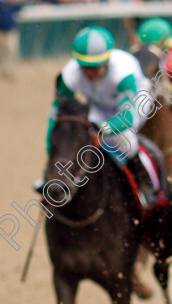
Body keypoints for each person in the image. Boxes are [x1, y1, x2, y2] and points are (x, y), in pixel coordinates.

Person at [35, 25, 157, 208]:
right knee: (70, 131)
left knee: (123, 139)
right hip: (100, 105)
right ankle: (53, 176)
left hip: (134, 105)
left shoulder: (123, 72)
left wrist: (101, 129)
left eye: (95, 67)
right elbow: (56, 119)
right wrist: (51, 149)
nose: (89, 73)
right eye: (85, 68)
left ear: (107, 60)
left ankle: (143, 181)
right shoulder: (70, 75)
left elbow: (127, 118)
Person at [0, 0, 22, 81]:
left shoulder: (12, 3)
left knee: (11, 51)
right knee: (0, 52)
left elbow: (20, 8)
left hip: (10, 30)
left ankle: (11, 71)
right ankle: (2, 72)